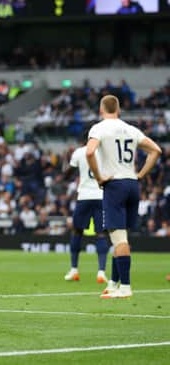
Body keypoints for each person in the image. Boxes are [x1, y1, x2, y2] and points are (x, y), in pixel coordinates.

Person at [86, 95, 161, 298]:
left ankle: (125, 287)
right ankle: (113, 283)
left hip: (115, 185)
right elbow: (156, 150)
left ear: (102, 110)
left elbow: (90, 153)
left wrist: (100, 177)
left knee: (119, 239)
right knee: (121, 238)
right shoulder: (131, 129)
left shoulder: (99, 128)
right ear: (118, 110)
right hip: (132, 184)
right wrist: (141, 175)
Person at [65, 139, 109, 283]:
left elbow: (66, 174)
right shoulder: (104, 152)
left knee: (77, 231)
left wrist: (67, 160)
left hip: (84, 196)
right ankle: (101, 272)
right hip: (101, 196)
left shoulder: (79, 152)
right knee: (101, 234)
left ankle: (74, 270)